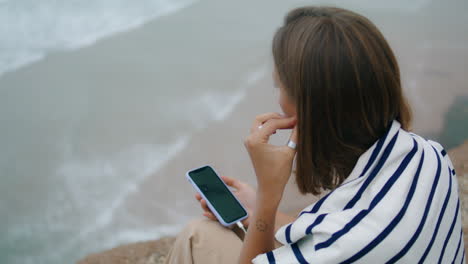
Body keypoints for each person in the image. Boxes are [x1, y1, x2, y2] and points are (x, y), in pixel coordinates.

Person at [164, 6, 465, 264]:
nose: (278, 98)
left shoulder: (343, 247)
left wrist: (269, 197)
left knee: (197, 235)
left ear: (316, 108)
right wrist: (255, 211)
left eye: (278, 86)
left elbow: (335, 243)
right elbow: (332, 232)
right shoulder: (429, 156)